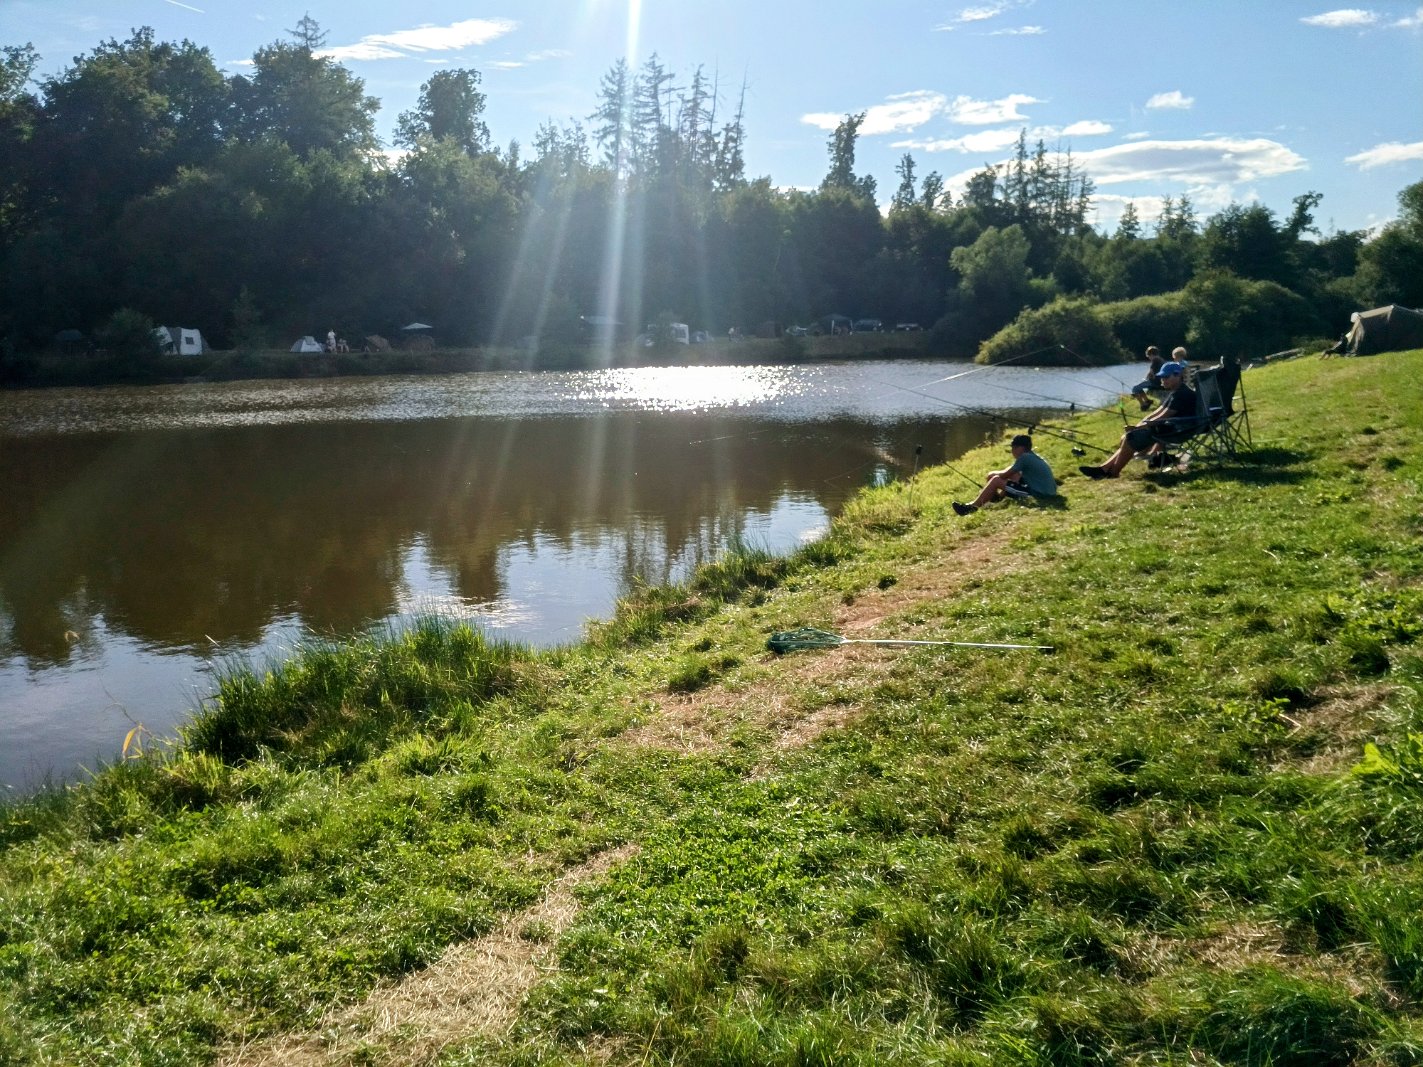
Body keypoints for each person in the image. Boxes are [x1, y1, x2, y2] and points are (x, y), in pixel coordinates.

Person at [1079, 360, 1198, 479]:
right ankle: (1104, 468)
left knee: (1131, 438)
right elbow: (1156, 413)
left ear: (1178, 375)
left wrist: (1138, 428)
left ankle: (1113, 472)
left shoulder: (1182, 394)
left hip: (1178, 431)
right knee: (1128, 437)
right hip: (1172, 428)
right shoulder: (1176, 392)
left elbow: (1162, 417)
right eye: (1162, 377)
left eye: (1166, 377)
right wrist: (1138, 426)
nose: (1163, 380)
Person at [953, 434, 1057, 515]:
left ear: (1020, 448)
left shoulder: (1024, 458)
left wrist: (991, 474)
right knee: (1011, 476)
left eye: (1013, 448)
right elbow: (1014, 473)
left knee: (995, 480)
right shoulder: (1031, 456)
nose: (1012, 451)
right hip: (1048, 491)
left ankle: (972, 507)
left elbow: (1004, 476)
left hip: (1039, 494)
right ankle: (997, 498)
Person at [1129, 345, 1166, 410]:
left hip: (1155, 382)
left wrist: (1146, 379)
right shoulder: (1162, 360)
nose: (1149, 358)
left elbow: (1151, 373)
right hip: (1161, 381)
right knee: (1139, 387)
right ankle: (1147, 401)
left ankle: (1143, 404)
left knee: (1135, 388)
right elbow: (1152, 372)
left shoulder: (1155, 360)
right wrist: (1146, 379)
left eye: (1148, 356)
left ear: (1151, 354)